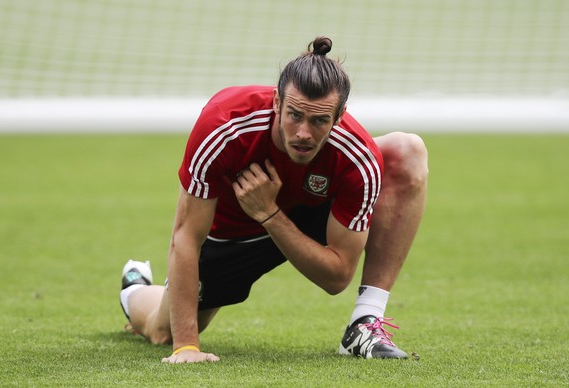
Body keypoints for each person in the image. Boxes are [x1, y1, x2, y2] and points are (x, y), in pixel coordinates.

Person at [119, 36, 428, 363]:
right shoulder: (224, 124)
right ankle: (135, 288)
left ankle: (365, 323)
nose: (304, 133)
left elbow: (336, 277)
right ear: (277, 103)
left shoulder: (356, 157)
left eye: (320, 120)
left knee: (405, 151)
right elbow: (185, 236)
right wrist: (186, 347)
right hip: (232, 235)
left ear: (339, 117)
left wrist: (269, 212)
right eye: (295, 115)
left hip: (301, 210)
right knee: (162, 331)